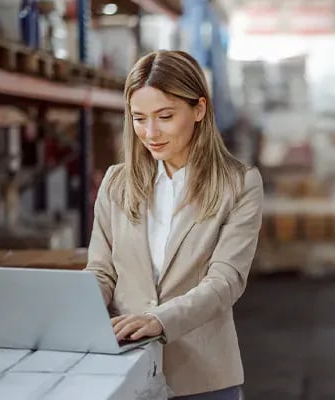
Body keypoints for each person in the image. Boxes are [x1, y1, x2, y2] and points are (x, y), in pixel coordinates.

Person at [85, 50, 264, 399]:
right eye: (139, 118)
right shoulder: (116, 182)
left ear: (199, 109)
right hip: (125, 369)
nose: (150, 133)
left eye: (165, 116)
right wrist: (73, 307)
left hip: (202, 378)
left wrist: (160, 319)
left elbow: (225, 281)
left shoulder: (239, 184)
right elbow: (102, 271)